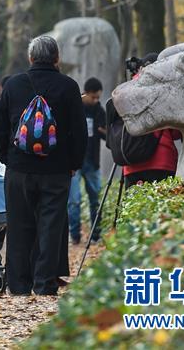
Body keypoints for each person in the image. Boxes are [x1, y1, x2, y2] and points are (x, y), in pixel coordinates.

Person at [0, 34, 87, 296]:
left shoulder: (13, 85)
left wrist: (6, 157)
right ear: (57, 58)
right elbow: (79, 131)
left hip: (19, 168)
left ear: (30, 57)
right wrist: (74, 163)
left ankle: (18, 284)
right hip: (56, 169)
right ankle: (44, 283)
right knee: (51, 225)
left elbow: (0, 126)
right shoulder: (68, 86)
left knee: (19, 224)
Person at [122, 56, 182, 188]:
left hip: (131, 162)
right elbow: (176, 132)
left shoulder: (126, 90)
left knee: (133, 205)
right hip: (162, 161)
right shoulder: (166, 90)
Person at [68, 77, 106, 245]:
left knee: (95, 199)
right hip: (75, 161)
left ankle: (96, 235)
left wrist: (103, 132)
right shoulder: (75, 107)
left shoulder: (99, 111)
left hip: (92, 162)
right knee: (74, 200)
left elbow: (107, 134)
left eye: (98, 97)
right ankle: (75, 235)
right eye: (93, 97)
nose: (96, 100)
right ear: (86, 93)